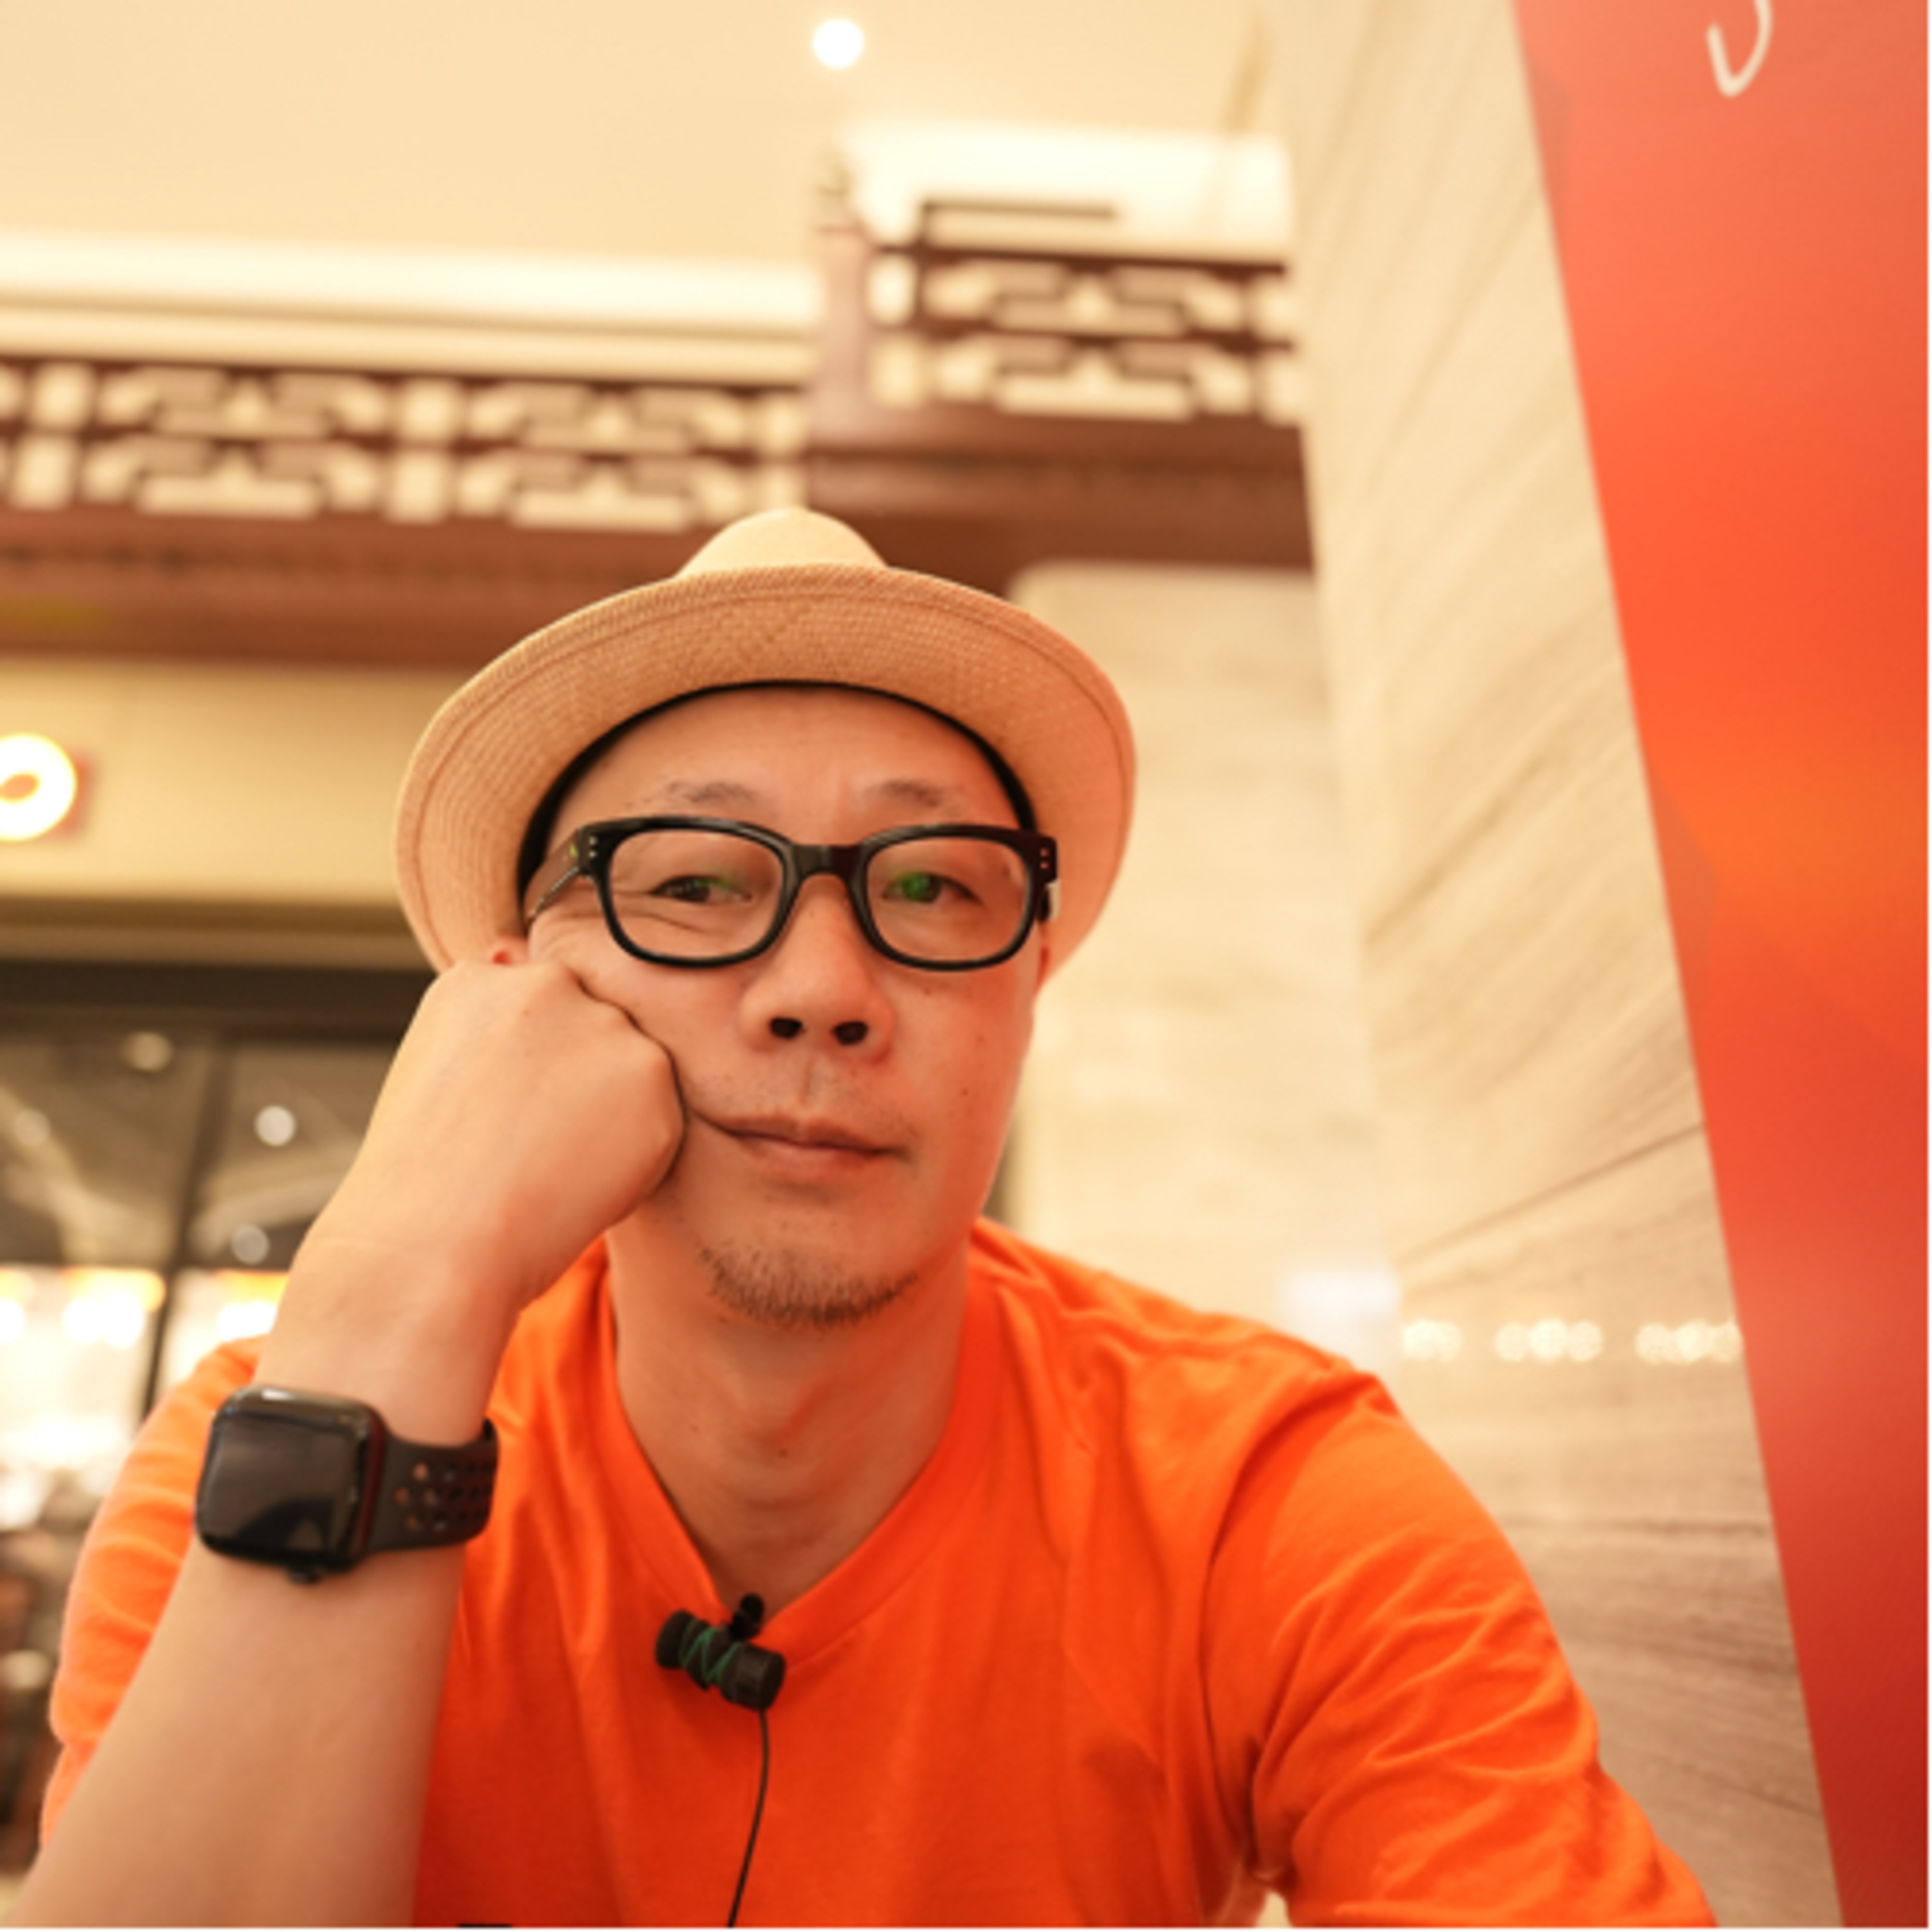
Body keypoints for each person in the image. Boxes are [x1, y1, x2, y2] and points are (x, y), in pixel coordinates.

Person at [11, 510, 1711, 1927]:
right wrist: (396, 1292)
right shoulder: (276, 1436)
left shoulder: (1265, 1495)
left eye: (933, 890)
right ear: (520, 998)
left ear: (1027, 996)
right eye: (693, 883)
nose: (823, 987)